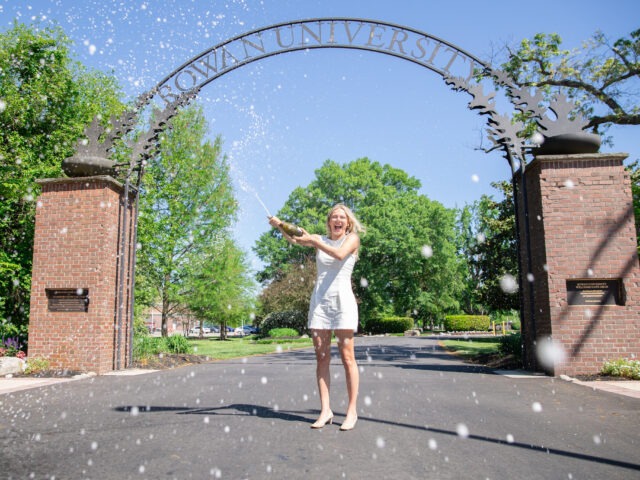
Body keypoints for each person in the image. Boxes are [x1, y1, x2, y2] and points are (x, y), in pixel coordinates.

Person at [268, 204, 364, 431]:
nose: (338, 220)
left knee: (347, 357)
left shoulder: (352, 240)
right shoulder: (319, 238)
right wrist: (280, 225)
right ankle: (325, 410)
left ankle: (351, 411)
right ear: (329, 221)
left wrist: (314, 240)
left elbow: (339, 255)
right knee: (322, 358)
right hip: (320, 303)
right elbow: (295, 239)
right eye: (334, 217)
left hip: (343, 304)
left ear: (347, 223)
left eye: (342, 217)